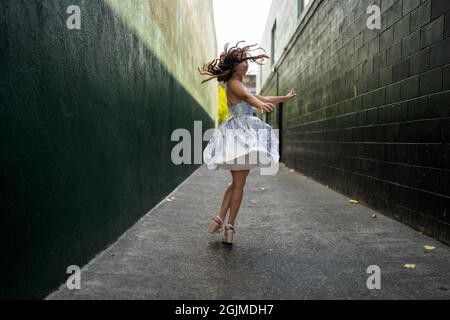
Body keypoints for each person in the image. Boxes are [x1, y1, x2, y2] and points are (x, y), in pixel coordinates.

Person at [198, 41, 297, 244]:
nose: (246, 65)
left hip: (240, 135)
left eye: (246, 62)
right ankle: (229, 227)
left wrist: (283, 98)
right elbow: (249, 98)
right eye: (242, 62)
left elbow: (258, 96)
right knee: (240, 184)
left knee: (236, 182)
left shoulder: (239, 83)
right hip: (240, 136)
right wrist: (261, 104)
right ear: (234, 66)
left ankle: (220, 219)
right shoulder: (234, 83)